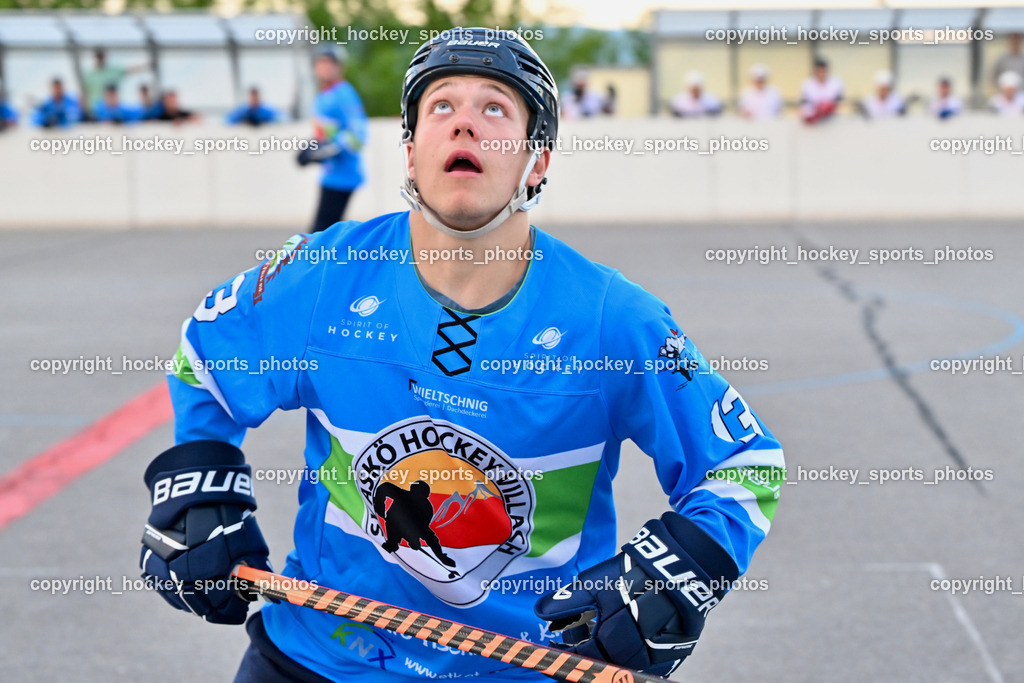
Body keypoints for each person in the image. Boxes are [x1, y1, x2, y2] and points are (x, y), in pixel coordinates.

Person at [139, 28, 784, 682]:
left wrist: (678, 572)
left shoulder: (610, 318)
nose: (466, 124)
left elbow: (743, 464)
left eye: (496, 108)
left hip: (526, 667)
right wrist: (198, 479)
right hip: (317, 656)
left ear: (538, 162)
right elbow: (206, 358)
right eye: (441, 106)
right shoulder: (326, 274)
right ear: (413, 153)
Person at [296, 50, 368, 232]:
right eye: (321, 64)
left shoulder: (344, 94)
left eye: (329, 64)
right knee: (325, 235)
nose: (324, 68)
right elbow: (326, 133)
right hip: (330, 174)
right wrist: (312, 146)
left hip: (343, 175)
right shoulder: (323, 95)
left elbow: (358, 136)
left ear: (339, 67)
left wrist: (324, 151)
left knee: (321, 235)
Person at [82, 48, 147, 120]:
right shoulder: (89, 75)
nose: (100, 59)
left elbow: (129, 69)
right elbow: (84, 94)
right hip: (94, 113)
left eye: (101, 56)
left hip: (113, 110)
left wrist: (146, 65)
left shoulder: (113, 71)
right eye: (98, 56)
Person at [800, 58, 843, 124]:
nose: (821, 74)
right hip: (815, 119)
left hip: (832, 120)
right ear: (814, 71)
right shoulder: (807, 84)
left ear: (827, 71)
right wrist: (813, 113)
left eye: (823, 71)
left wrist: (829, 107)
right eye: (818, 71)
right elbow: (803, 105)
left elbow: (842, 104)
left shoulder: (836, 83)